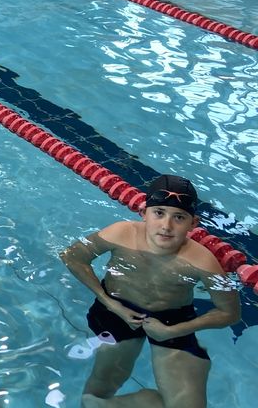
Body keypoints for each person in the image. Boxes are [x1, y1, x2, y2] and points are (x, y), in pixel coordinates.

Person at [60, 174, 241, 407]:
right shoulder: (120, 233)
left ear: (193, 223)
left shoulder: (202, 261)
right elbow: (73, 257)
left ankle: (149, 402)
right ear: (144, 212)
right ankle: (148, 402)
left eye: (179, 217)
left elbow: (229, 313)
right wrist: (109, 302)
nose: (166, 226)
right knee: (95, 398)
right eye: (159, 213)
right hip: (116, 310)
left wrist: (173, 330)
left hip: (172, 320)